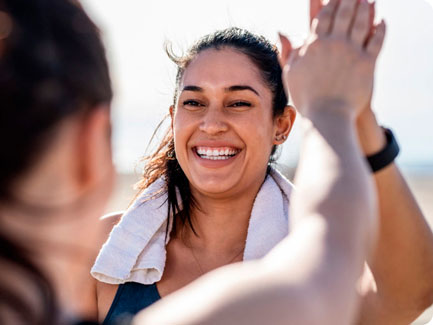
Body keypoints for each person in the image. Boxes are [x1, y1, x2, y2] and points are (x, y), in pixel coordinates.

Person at [93, 1, 433, 325]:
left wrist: (359, 116)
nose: (211, 124)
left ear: (282, 125)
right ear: (174, 118)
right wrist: (331, 106)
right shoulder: (104, 251)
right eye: (194, 102)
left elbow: (411, 292)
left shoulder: (328, 268)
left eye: (239, 102)